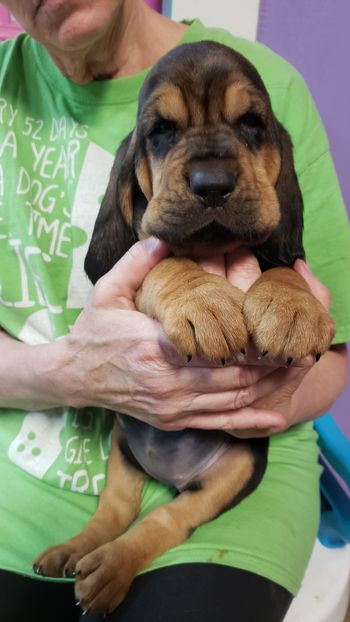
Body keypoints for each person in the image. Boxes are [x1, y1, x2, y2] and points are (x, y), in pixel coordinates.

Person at [0, 1, 349, 621]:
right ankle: (111, 518)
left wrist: (262, 382)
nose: (213, 173)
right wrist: (69, 370)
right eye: (166, 133)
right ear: (135, 173)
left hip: (239, 479)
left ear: (275, 160)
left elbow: (313, 309)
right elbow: (131, 268)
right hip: (70, 462)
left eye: (247, 129)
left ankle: (161, 526)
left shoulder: (280, 83)